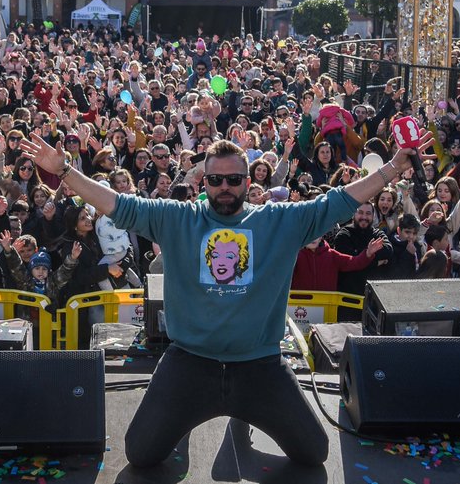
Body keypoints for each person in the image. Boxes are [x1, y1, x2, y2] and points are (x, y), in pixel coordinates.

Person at [21, 131, 424, 468]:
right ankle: (205, 416)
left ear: (249, 181)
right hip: (190, 362)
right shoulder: (177, 217)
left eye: (234, 180)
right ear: (203, 183)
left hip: (260, 366)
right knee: (140, 454)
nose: (225, 188)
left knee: (313, 453)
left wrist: (393, 169)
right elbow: (117, 204)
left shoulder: (277, 220)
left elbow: (338, 201)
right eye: (216, 181)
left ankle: (244, 416)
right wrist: (65, 171)